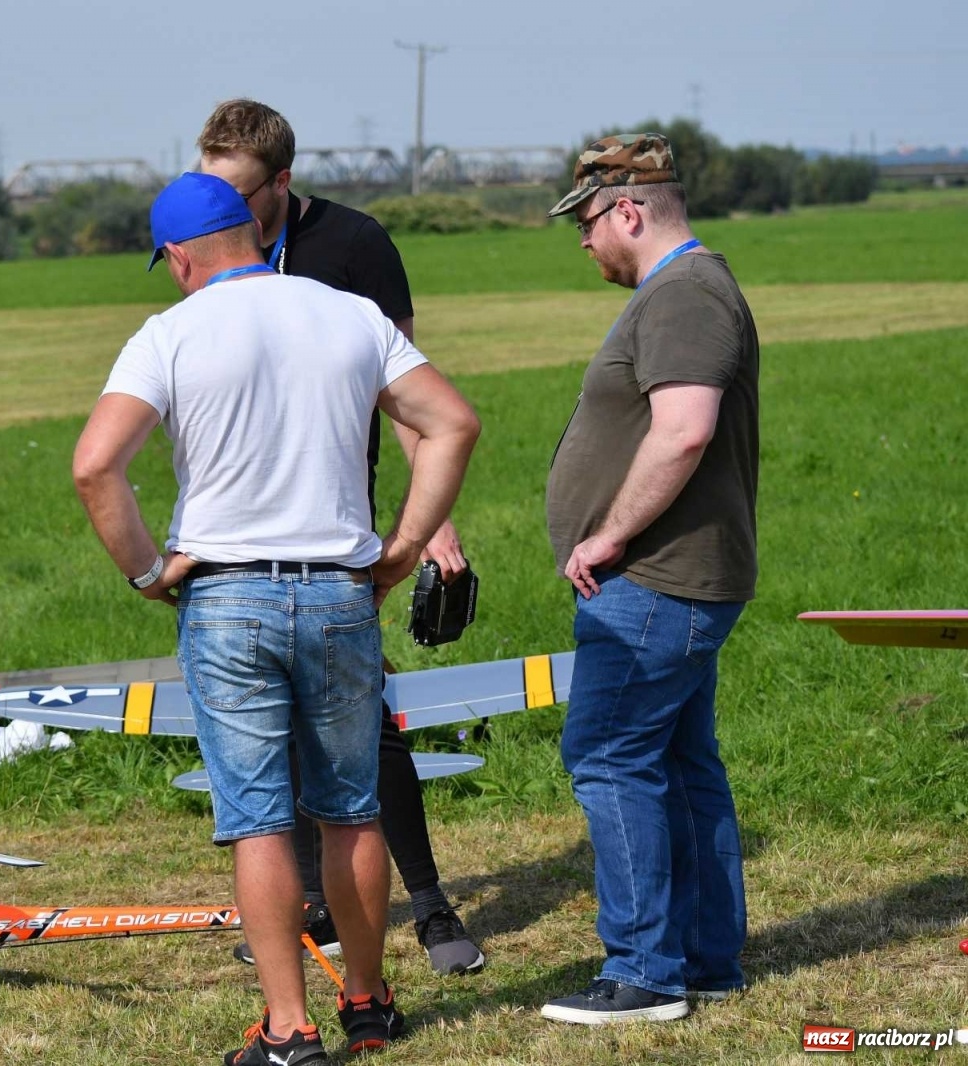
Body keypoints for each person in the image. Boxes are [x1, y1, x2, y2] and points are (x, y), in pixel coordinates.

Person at [73, 172, 480, 1064]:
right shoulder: (347, 314)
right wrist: (404, 546)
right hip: (340, 591)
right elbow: (451, 422)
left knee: (258, 820)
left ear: (179, 255)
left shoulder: (167, 335)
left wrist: (149, 572)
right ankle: (368, 1006)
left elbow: (96, 465)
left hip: (223, 598)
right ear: (252, 231)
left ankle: (290, 1031)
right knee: (353, 811)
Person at [196, 98, 485, 976]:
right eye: (211, 194)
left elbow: (412, 397)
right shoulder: (208, 240)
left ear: (283, 182)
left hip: (336, 521)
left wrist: (428, 525)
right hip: (241, 536)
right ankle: (314, 908)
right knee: (276, 734)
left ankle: (431, 908)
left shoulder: (355, 247)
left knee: (368, 728)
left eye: (240, 196)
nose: (224, 216)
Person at [539, 134, 760, 1024]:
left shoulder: (684, 297)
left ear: (628, 210)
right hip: (675, 578)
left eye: (587, 222)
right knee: (676, 758)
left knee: (608, 756)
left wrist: (608, 537)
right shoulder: (686, 291)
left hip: (657, 580)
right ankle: (705, 959)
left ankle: (643, 973)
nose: (584, 242)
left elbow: (683, 431)